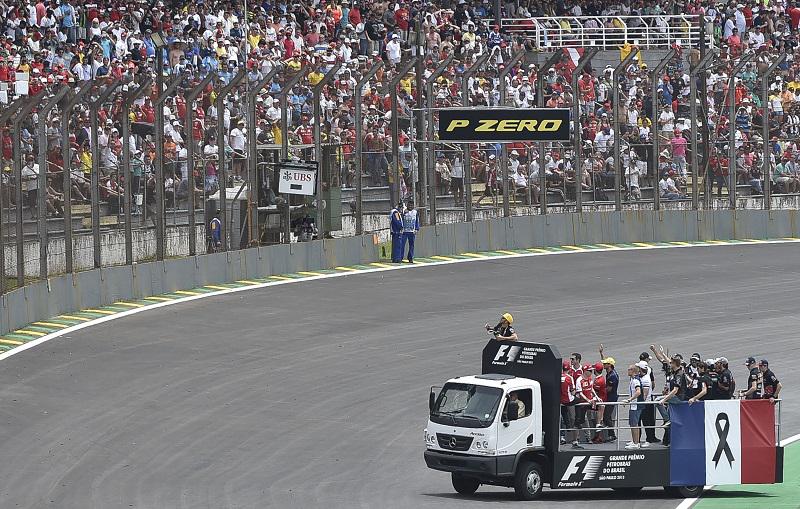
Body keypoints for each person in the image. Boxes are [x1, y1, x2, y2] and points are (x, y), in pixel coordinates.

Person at [624, 364, 648, 450]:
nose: (627, 371)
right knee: (633, 424)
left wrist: (629, 399)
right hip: (633, 405)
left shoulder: (636, 381)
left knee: (634, 424)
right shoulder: (633, 379)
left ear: (633, 371)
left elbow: (638, 392)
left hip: (636, 405)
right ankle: (634, 440)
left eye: (629, 369)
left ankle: (636, 443)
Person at [638, 352, 658, 443]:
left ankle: (638, 439)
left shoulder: (636, 371)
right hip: (647, 400)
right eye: (648, 359)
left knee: (640, 420)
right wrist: (650, 391)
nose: (649, 360)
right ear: (646, 359)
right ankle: (650, 437)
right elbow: (653, 384)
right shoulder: (649, 369)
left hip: (641, 400)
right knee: (649, 420)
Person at [560, 360, 577, 446]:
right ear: (569, 369)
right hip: (569, 400)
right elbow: (573, 392)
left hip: (560, 401)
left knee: (562, 416)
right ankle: (571, 426)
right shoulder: (569, 378)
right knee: (577, 402)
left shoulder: (558, 377)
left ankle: (563, 434)